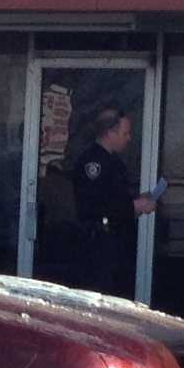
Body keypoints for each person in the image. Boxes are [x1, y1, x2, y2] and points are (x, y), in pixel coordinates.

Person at [68, 106, 141, 297]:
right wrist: (133, 206)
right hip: (98, 242)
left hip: (115, 241)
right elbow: (94, 205)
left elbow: (115, 197)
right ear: (110, 133)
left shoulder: (114, 162)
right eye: (125, 133)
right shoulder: (93, 162)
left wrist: (135, 201)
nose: (129, 138)